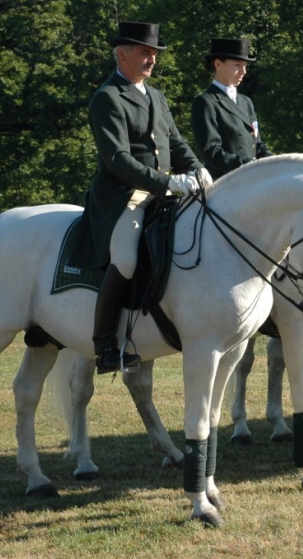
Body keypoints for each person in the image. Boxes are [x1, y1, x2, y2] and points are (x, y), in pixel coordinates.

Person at [79, 21, 209, 374]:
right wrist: (168, 183)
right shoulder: (107, 97)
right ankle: (105, 346)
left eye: (154, 53)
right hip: (125, 195)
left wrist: (198, 170)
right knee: (126, 259)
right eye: (144, 52)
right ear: (122, 54)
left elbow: (176, 143)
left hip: (164, 192)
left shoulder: (156, 96)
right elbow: (118, 159)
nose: (151, 59)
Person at [191, 37, 272, 179]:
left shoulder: (246, 101)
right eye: (237, 65)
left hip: (253, 178)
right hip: (226, 181)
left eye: (245, 66)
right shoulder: (206, 102)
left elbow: (258, 144)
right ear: (218, 64)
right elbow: (211, 152)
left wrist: (275, 162)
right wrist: (249, 165)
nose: (243, 71)